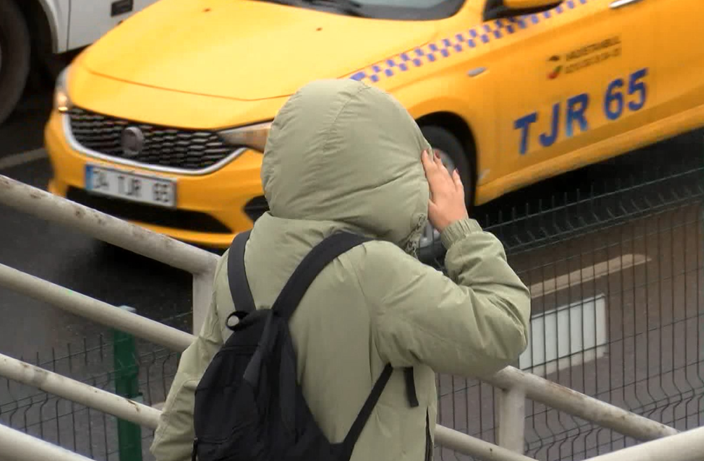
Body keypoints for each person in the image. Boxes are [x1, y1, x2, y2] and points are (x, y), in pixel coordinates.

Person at [150, 78, 531, 461]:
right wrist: (459, 228)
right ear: (384, 174)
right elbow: (503, 328)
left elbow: (195, 388)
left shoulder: (243, 254)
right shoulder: (377, 273)